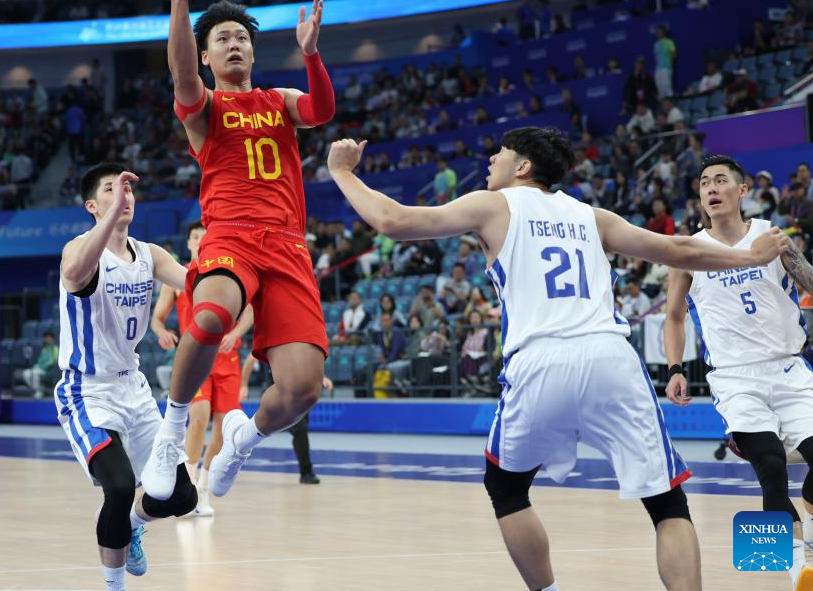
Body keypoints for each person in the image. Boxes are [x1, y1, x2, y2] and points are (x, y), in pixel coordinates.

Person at [325, 126, 789, 591]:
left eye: (499, 153)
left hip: (541, 358)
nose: (490, 160)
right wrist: (749, 258)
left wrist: (342, 172)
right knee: (668, 504)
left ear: (523, 167)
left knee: (506, 489)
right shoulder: (591, 215)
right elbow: (678, 250)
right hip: (612, 358)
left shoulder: (492, 205)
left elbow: (392, 220)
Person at [141, 0, 335, 503]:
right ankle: (170, 437)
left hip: (288, 248)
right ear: (206, 56)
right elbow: (179, 72)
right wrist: (180, 0)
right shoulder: (203, 109)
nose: (233, 44)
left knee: (300, 391)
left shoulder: (279, 99)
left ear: (253, 52)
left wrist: (313, 54)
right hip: (230, 237)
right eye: (222, 38)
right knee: (208, 317)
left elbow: (321, 111)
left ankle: (242, 441)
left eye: (242, 38)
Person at [664, 155, 813, 591]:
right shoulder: (688, 251)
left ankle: (804, 536)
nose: (711, 187)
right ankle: (794, 573)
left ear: (742, 190)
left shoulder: (772, 236)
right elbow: (674, 317)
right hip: (734, 377)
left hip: (789, 368)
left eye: (721, 180)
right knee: (768, 461)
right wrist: (675, 367)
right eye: (704, 182)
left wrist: (792, 257)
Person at [55, 162, 198, 590]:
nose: (124, 195)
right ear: (93, 206)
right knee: (117, 487)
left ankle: (135, 525)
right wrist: (111, 213)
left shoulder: (148, 254)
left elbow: (195, 282)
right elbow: (76, 274)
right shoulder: (78, 251)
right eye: (111, 190)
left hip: (133, 389)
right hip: (87, 391)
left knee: (181, 496)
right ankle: (114, 584)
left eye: (128, 189)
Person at [149, 221, 252, 517]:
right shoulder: (177, 279)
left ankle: (204, 486)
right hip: (196, 357)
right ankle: (189, 485)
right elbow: (157, 319)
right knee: (199, 416)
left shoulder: (228, 274)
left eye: (204, 236)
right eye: (195, 236)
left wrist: (235, 333)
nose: (199, 240)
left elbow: (250, 310)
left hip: (226, 358)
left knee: (224, 425)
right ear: (189, 242)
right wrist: (162, 332)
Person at [240, 354, 334, 483]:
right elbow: (251, 359)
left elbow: (306, 362)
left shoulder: (297, 344)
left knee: (301, 431)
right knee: (298, 429)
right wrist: (243, 386)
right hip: (279, 394)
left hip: (298, 394)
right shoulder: (273, 341)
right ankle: (306, 472)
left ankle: (306, 473)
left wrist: (321, 377)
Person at [23, 330, 59, 398]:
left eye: (49, 338)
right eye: (46, 338)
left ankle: (39, 391)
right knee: (26, 373)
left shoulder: (55, 349)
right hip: (40, 369)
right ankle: (38, 389)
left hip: (48, 370)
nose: (47, 339)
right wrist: (37, 366)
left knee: (34, 373)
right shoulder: (44, 349)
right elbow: (40, 361)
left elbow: (53, 361)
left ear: (52, 338)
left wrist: (43, 367)